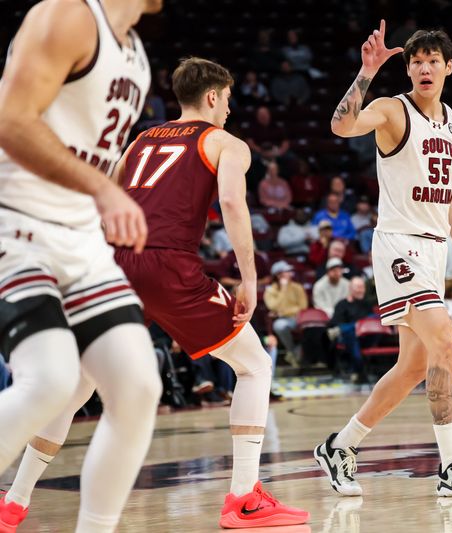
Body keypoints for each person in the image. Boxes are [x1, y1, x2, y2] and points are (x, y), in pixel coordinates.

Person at [2, 57, 309, 530]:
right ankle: (243, 498)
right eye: (227, 100)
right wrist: (249, 278)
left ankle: (13, 502)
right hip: (168, 264)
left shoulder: (142, 140)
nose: (229, 109)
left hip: (115, 260)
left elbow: (104, 193)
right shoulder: (225, 142)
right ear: (212, 97)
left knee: (76, 385)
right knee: (255, 365)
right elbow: (230, 202)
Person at [313, 21, 452, 498]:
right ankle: (451, 467)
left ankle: (340, 445)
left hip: (435, 250)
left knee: (414, 366)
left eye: (433, 61)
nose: (423, 68)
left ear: (448, 68)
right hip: (399, 244)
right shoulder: (391, 110)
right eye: (416, 61)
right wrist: (366, 72)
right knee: (446, 340)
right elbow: (340, 126)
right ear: (409, 68)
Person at [0, 1, 164, 531]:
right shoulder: (67, 15)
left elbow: (90, 152)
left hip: (80, 239)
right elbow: (10, 119)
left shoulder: (135, 54)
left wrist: (112, 194)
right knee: (49, 379)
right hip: (17, 221)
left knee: (138, 387)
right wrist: (102, 191)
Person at [264, 260, 308, 368]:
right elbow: (273, 307)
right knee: (279, 325)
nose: (290, 273)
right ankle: (292, 351)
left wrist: (283, 312)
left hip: (298, 318)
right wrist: (283, 290)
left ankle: (301, 353)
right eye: (286, 271)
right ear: (278, 275)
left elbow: (303, 307)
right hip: (283, 320)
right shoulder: (270, 290)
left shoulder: (297, 287)